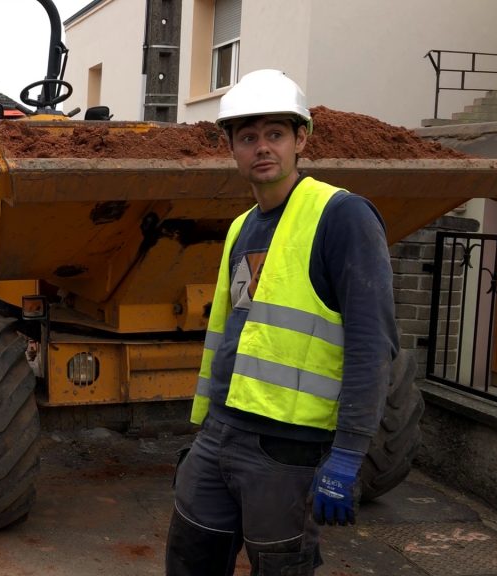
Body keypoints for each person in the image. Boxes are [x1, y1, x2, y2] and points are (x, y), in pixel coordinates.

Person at [164, 69, 399, 575]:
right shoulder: (240, 229)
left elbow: (371, 345)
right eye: (248, 137)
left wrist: (347, 456)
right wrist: (207, 432)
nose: (262, 148)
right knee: (189, 558)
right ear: (231, 147)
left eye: (275, 134)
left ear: (301, 140)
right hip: (221, 432)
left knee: (281, 567)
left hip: (286, 450)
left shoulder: (341, 216)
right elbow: (233, 333)